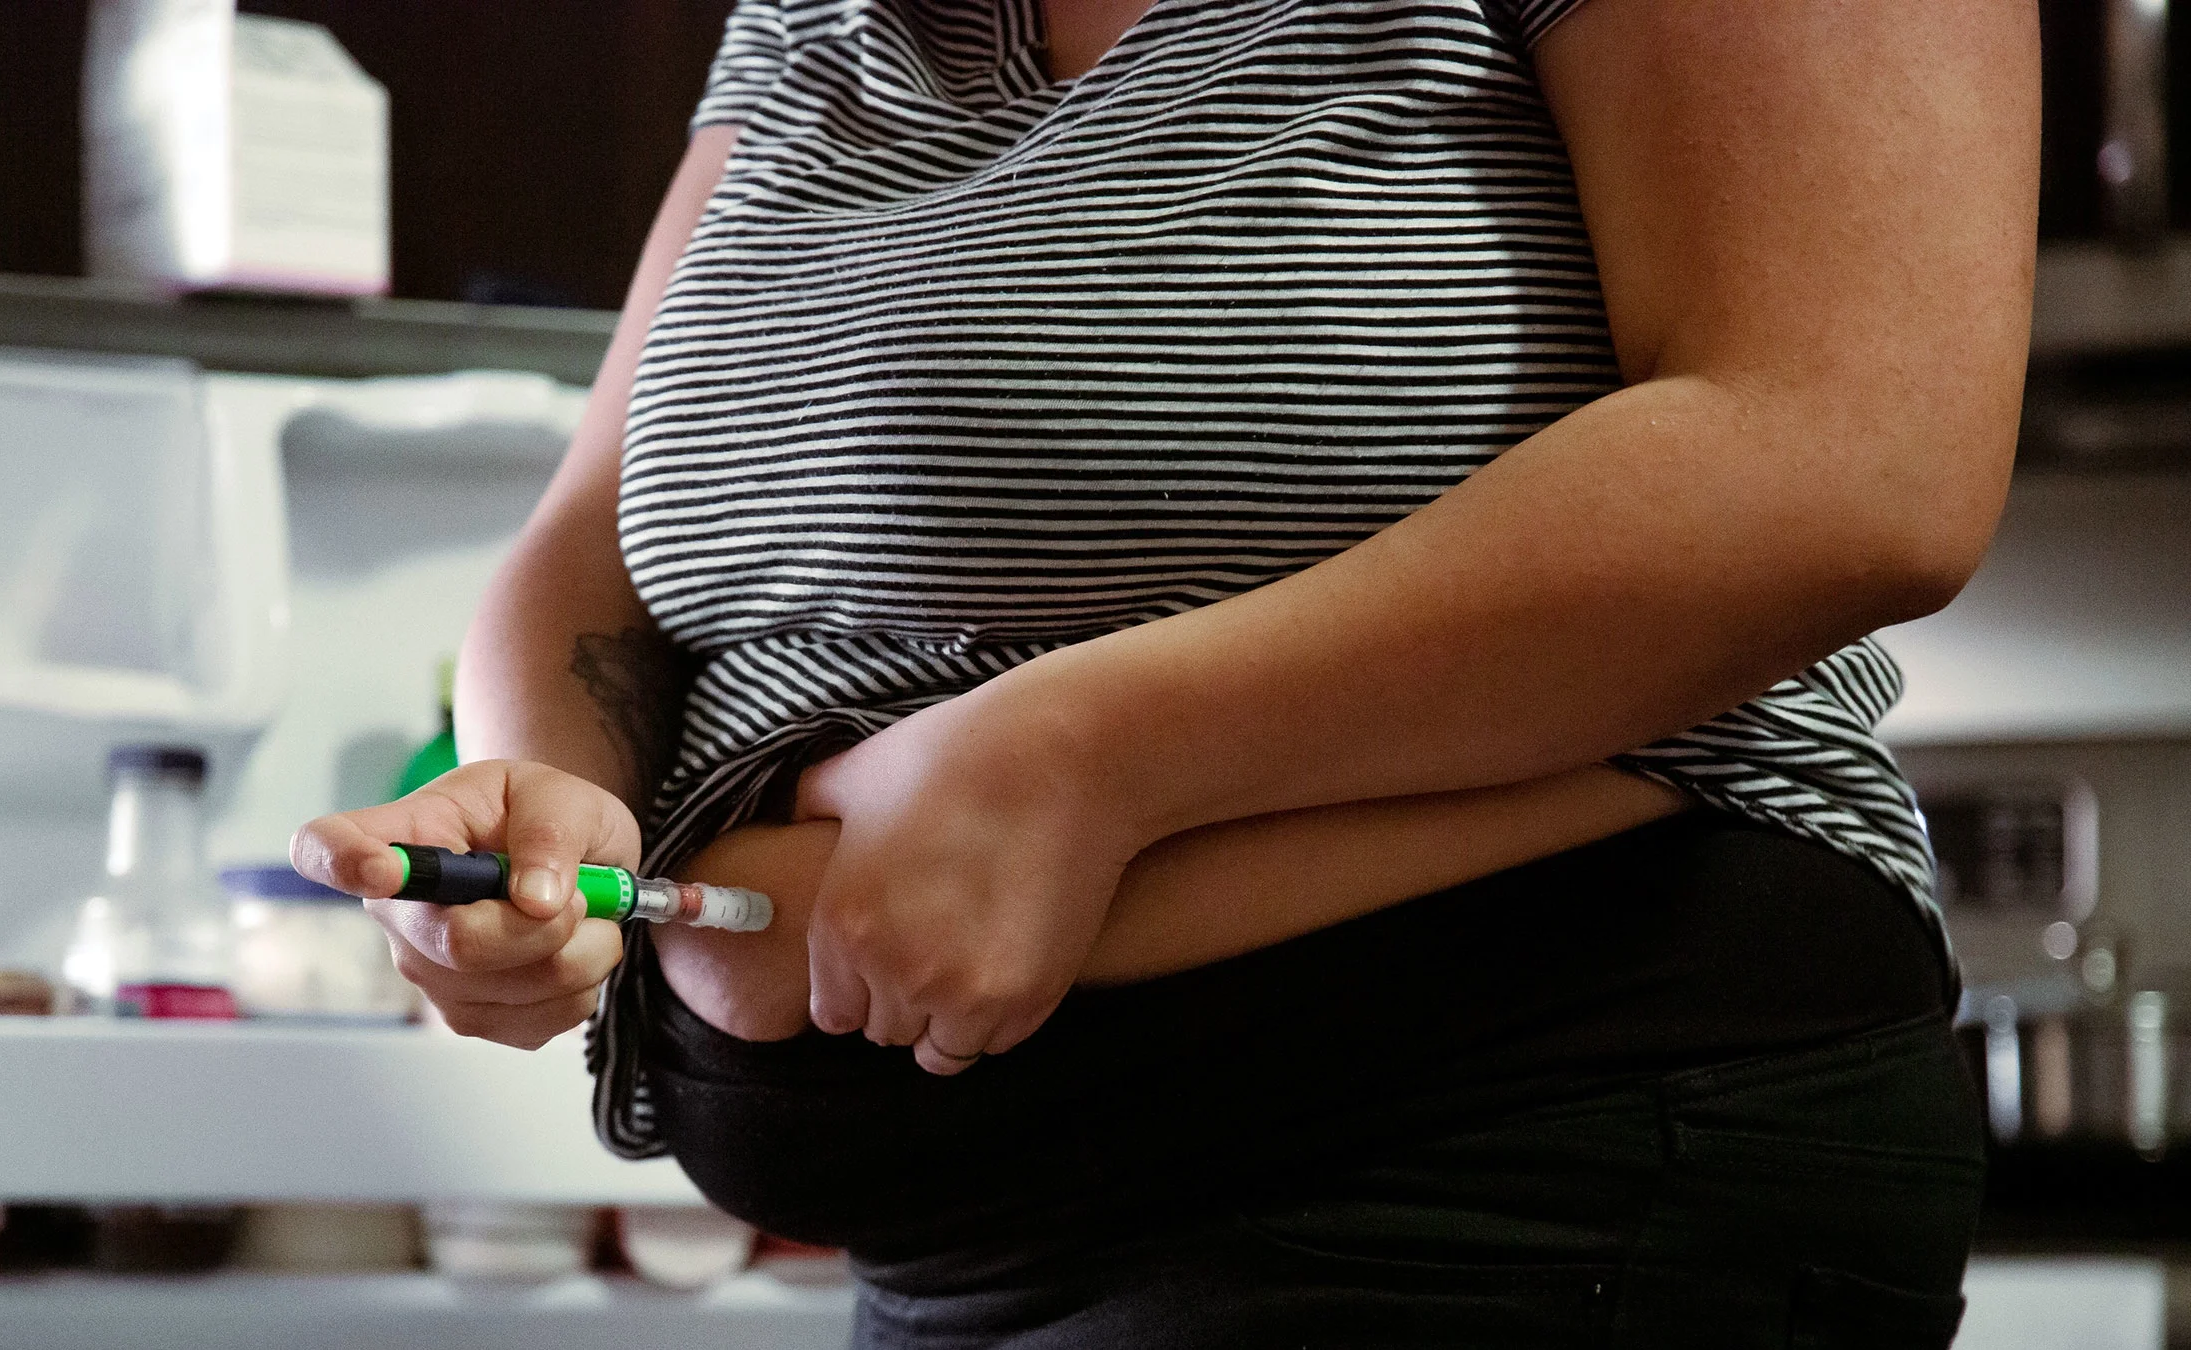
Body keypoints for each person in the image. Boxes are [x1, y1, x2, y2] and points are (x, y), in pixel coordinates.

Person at [295, 0, 2037, 1343]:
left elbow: (1850, 456)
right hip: (957, 1247)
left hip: (1496, 1186)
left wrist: (1084, 753)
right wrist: (545, 800)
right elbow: (594, 535)